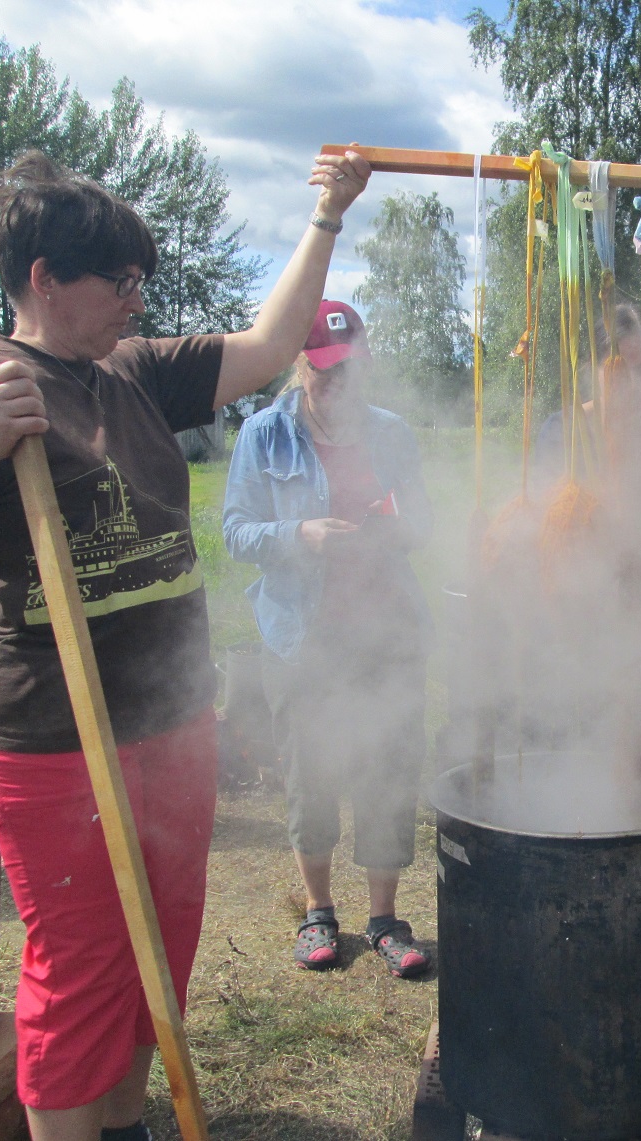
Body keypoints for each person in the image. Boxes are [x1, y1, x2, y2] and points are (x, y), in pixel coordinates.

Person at [0, 147, 371, 1141]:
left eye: (143, 281)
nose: (138, 299)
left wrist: (326, 217)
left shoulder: (133, 372)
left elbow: (268, 347)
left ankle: (127, 1122)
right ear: (45, 278)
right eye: (119, 280)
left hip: (174, 721)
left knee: (161, 947)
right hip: (52, 740)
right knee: (82, 964)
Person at [222, 299, 433, 979]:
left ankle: (384, 919)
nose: (339, 385)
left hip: (387, 632)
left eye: (350, 371)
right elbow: (234, 531)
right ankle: (318, 912)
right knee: (309, 772)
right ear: (298, 365)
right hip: (301, 636)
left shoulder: (392, 432)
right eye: (325, 372)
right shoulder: (263, 435)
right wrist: (299, 535)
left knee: (388, 770)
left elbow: (423, 519)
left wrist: (397, 530)